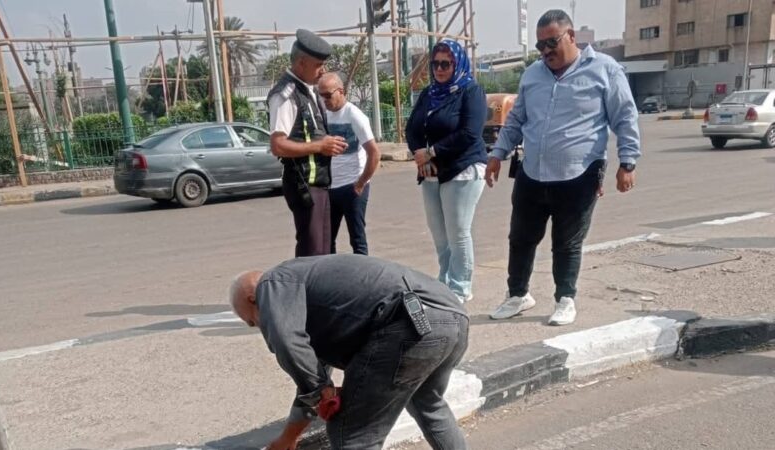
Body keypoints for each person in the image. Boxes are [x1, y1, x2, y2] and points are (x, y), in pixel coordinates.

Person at [486, 10, 641, 326]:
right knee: (520, 238)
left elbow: (624, 117)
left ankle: (565, 298)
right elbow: (516, 120)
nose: (545, 51)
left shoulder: (605, 70)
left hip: (578, 175)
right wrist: (497, 154)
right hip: (532, 172)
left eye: (551, 42)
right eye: (540, 45)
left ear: (571, 36)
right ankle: (518, 295)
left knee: (567, 242)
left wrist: (628, 162)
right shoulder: (532, 75)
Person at [229, 254, 469, 450]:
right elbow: (311, 378)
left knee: (352, 433)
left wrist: (320, 390)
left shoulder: (272, 283)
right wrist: (289, 437)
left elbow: (287, 342)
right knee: (427, 404)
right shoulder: (308, 293)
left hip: (406, 324)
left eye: (252, 322)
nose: (260, 326)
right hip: (450, 319)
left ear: (252, 299)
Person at [404, 39, 488, 303]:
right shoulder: (429, 93)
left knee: (457, 231)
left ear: (457, 64)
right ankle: (446, 280)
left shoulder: (470, 91)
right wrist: (420, 153)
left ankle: (460, 287)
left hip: (462, 168)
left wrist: (432, 152)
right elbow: (412, 128)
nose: (440, 69)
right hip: (431, 171)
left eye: (446, 64)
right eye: (436, 64)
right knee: (439, 232)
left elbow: (469, 133)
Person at [267, 29, 349, 257]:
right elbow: (278, 144)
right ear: (302, 62)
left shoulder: (308, 91)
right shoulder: (285, 95)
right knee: (311, 253)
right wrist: (320, 146)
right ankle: (303, 293)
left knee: (323, 251)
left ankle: (318, 292)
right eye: (318, 64)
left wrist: (328, 145)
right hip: (304, 185)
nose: (323, 70)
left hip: (319, 183)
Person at [317, 72, 381, 255]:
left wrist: (361, 183)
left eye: (328, 95)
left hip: (352, 187)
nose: (325, 100)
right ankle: (330, 278)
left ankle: (362, 279)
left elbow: (374, 153)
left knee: (357, 239)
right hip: (330, 187)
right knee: (326, 240)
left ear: (341, 91)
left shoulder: (355, 116)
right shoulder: (323, 115)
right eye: (320, 96)